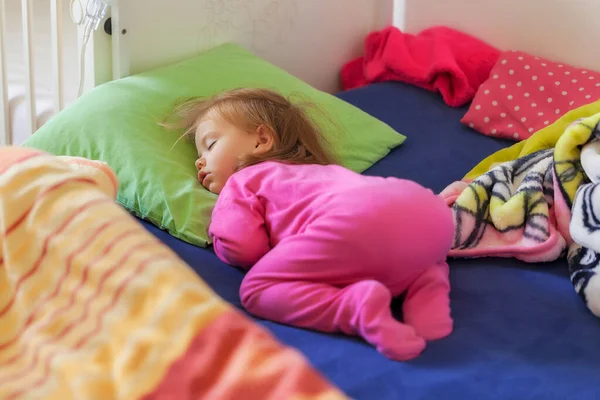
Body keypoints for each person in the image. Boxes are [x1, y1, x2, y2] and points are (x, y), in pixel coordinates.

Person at [163, 87, 455, 361]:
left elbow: (243, 248)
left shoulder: (243, 181)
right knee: (406, 249)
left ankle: (353, 306)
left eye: (210, 145)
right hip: (426, 209)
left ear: (261, 140)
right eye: (199, 156)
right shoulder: (325, 173)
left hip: (354, 221)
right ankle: (426, 290)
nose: (200, 163)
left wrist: (219, 233)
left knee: (257, 289)